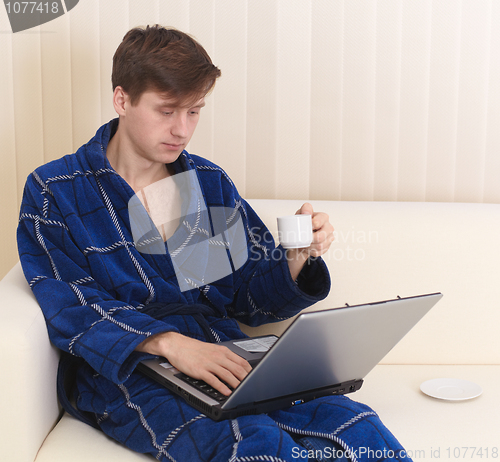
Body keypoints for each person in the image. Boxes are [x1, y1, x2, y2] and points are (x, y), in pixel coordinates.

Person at [17, 25, 411, 461]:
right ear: (122, 100)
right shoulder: (56, 190)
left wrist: (297, 258)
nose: (181, 130)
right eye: (167, 111)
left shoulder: (205, 183)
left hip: (219, 348)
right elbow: (70, 305)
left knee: (356, 427)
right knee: (251, 443)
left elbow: (248, 300)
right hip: (127, 368)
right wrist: (168, 343)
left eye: (194, 112)